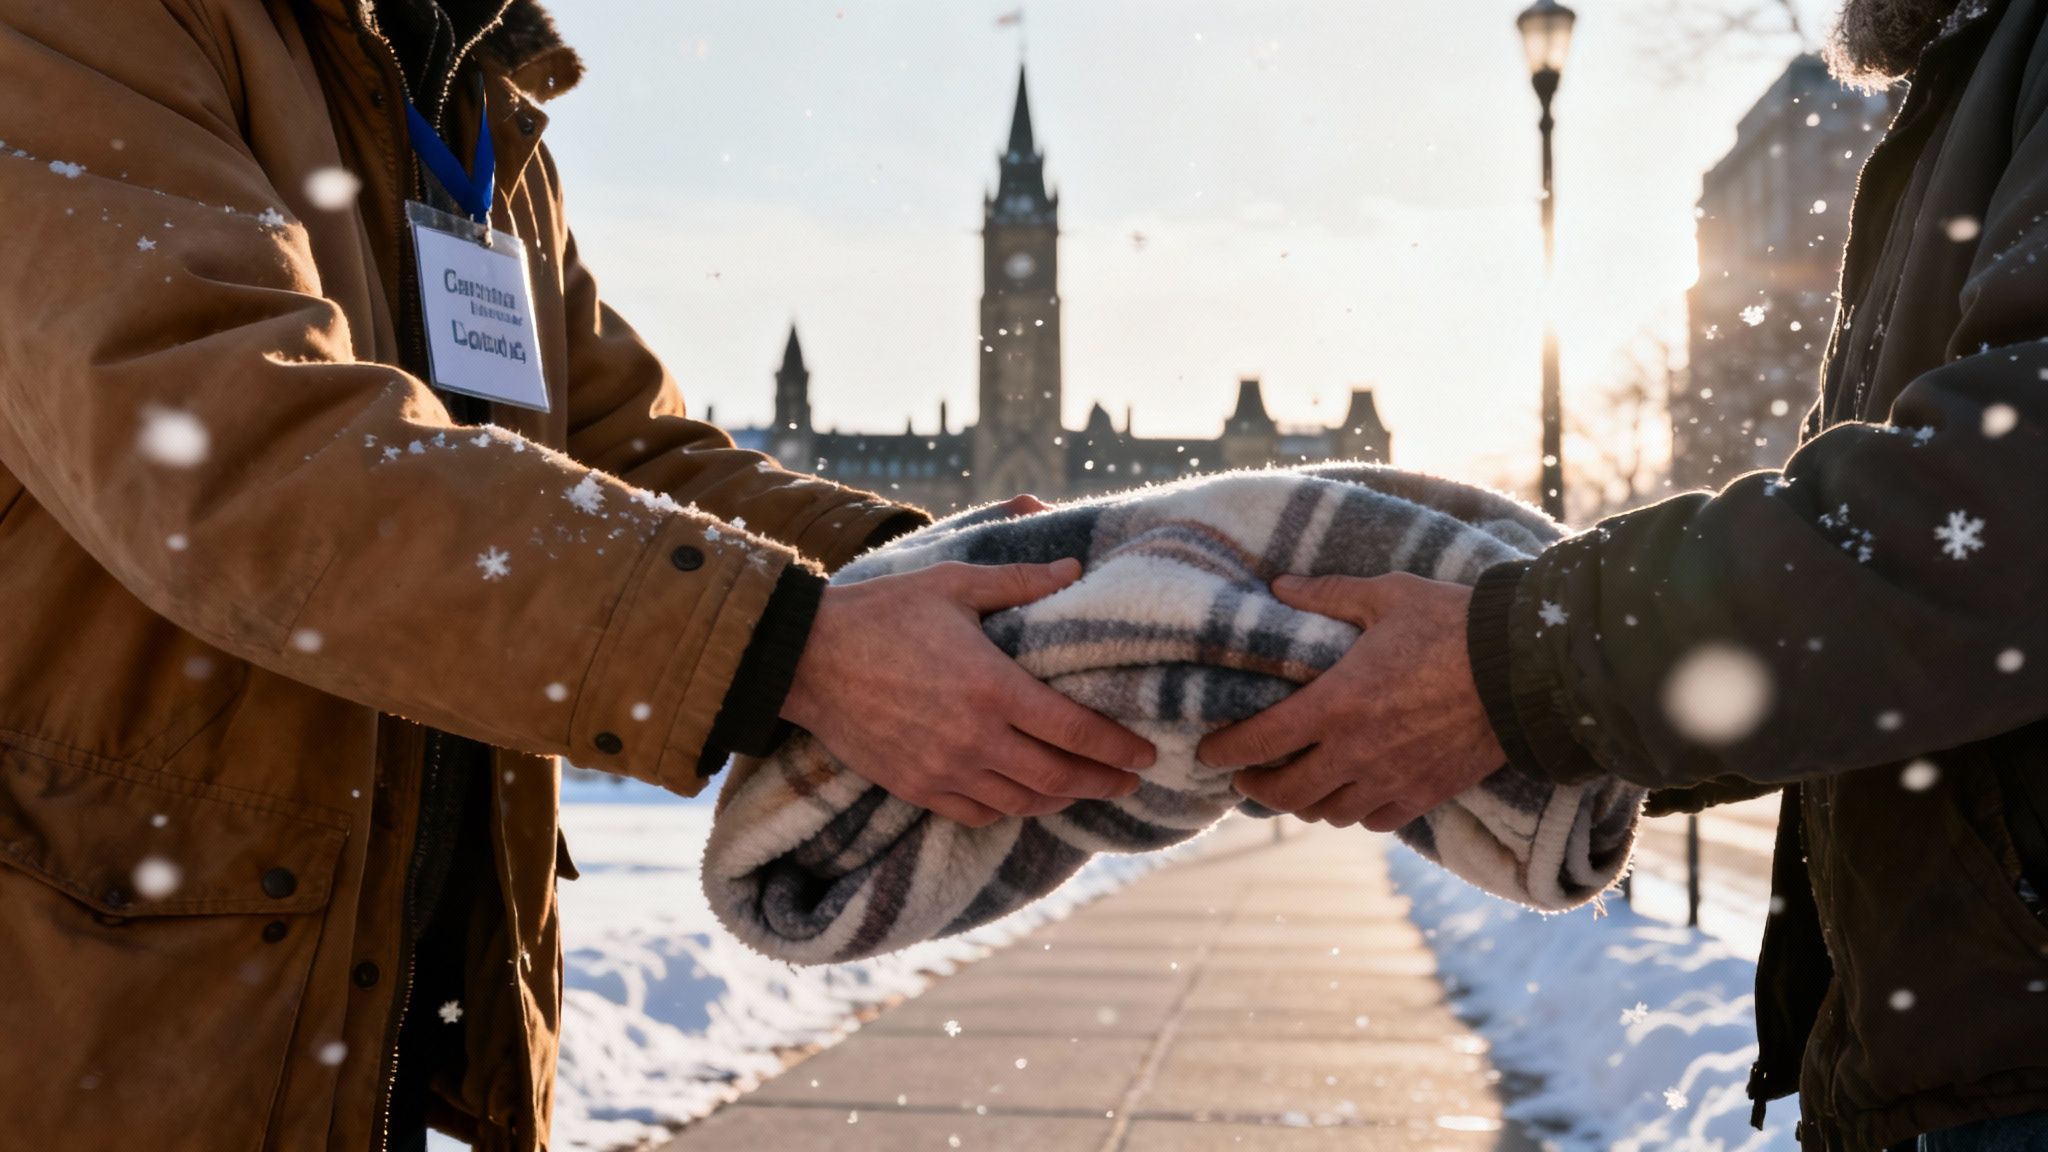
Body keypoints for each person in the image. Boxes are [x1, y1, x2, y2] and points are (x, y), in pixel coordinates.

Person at [0, 2, 1153, 1149]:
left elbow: (620, 454)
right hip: (116, 991)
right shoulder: (89, 24)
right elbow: (228, 444)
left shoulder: (470, 94)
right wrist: (791, 643)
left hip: (372, 995)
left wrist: (950, 580)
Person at [1202, 1, 2048, 1149]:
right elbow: (1858, 603)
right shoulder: (1965, 79)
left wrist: (1511, 670)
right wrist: (1524, 704)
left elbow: (1993, 510)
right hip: (1950, 1067)